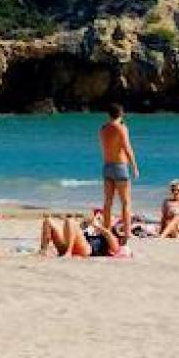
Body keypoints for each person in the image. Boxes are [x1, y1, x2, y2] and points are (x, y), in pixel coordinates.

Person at [99, 105, 139, 238]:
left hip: (107, 165)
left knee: (108, 201)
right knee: (126, 202)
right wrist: (134, 166)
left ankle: (107, 230)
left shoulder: (103, 129)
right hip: (120, 166)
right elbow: (127, 147)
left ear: (109, 114)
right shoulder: (121, 128)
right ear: (121, 114)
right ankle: (127, 233)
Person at [38, 209, 126, 258]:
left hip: (87, 250)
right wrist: (86, 223)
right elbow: (75, 231)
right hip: (72, 244)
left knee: (70, 221)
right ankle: (43, 250)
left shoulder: (112, 236)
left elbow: (115, 249)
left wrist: (97, 225)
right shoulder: (92, 230)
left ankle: (68, 253)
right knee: (48, 221)